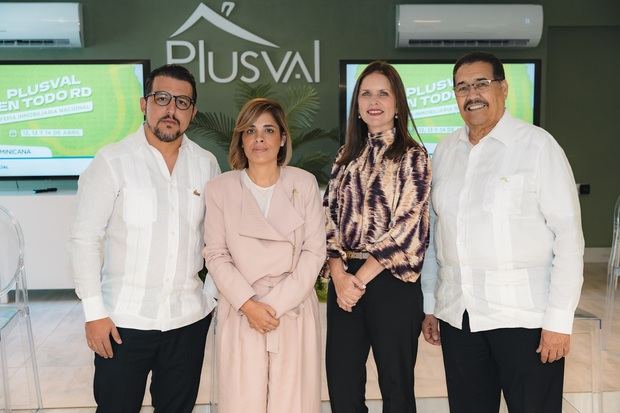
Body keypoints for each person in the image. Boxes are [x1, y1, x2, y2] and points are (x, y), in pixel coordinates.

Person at [421, 51, 584, 413]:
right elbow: (435, 234)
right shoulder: (446, 152)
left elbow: (569, 239)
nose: (472, 94)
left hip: (525, 320)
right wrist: (431, 303)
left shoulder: (539, 146)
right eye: (462, 87)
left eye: (481, 83)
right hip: (459, 317)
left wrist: (559, 321)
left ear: (503, 88)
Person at [69, 64, 220, 413]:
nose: (171, 110)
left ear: (193, 111)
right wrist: (94, 313)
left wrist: (210, 296)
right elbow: (84, 238)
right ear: (144, 104)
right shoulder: (112, 161)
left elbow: (217, 239)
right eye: (162, 98)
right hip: (123, 324)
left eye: (182, 102)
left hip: (187, 322)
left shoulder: (206, 164)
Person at [203, 98, 325, 413]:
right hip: (242, 310)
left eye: (269, 130)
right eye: (251, 130)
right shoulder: (220, 188)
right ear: (241, 139)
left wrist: (273, 306)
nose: (259, 138)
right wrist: (249, 304)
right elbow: (215, 254)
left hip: (293, 309)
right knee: (242, 402)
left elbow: (314, 252)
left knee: (294, 403)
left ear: (282, 138)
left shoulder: (304, 183)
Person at [324, 61, 431, 413]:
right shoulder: (345, 157)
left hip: (391, 284)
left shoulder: (413, 157)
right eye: (366, 93)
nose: (374, 101)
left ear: (398, 103)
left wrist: (358, 280)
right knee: (342, 386)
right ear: (356, 104)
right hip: (345, 285)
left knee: (396, 389)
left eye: (383, 93)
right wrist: (340, 275)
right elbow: (328, 218)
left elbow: (408, 229)